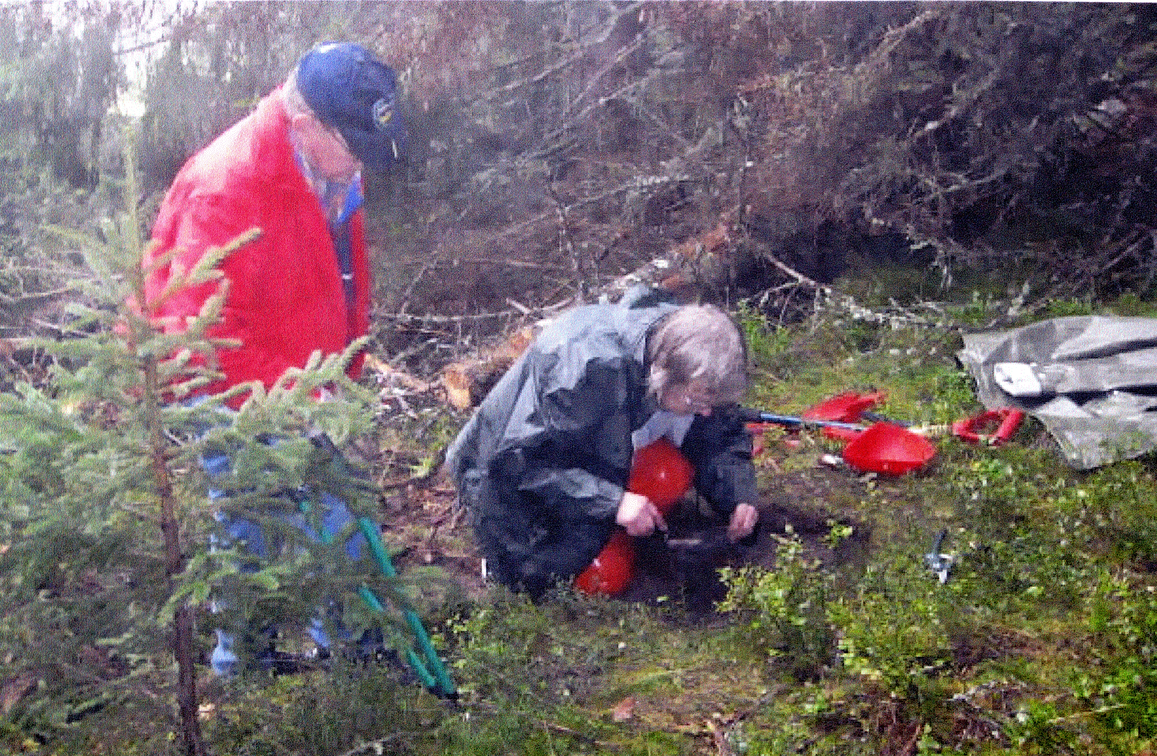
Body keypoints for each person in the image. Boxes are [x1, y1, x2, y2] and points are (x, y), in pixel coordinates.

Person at [141, 42, 405, 673]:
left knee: (337, 509)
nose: (361, 165)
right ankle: (244, 665)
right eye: (354, 146)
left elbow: (341, 278)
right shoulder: (226, 186)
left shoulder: (334, 169)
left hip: (300, 372)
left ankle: (348, 646)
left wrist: (338, 377)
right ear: (306, 121)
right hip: (223, 382)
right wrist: (295, 400)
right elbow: (196, 331)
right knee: (247, 525)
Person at [446, 285, 759, 600]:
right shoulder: (585, 372)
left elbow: (720, 430)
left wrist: (739, 496)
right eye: (694, 401)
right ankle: (504, 569)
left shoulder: (680, 347)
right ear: (664, 374)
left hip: (596, 458)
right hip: (503, 478)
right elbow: (521, 466)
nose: (704, 411)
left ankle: (623, 529)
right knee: (597, 576)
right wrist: (613, 502)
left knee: (668, 475)